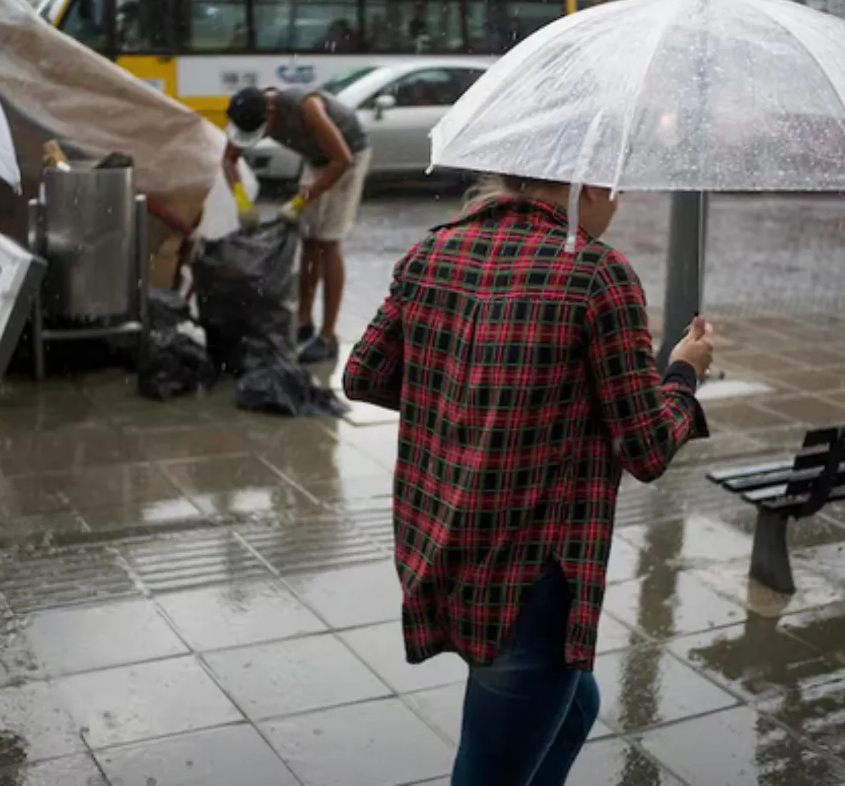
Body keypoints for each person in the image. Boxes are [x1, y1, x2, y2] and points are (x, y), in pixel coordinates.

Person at [342, 177, 712, 785]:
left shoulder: (433, 251)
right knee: (491, 769)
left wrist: (461, 391)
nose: (616, 204)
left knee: (573, 706)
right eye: (615, 188)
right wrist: (682, 374)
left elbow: (364, 375)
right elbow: (645, 446)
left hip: (445, 542)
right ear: (587, 184)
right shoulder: (597, 274)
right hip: (528, 575)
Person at [222, 85, 370, 364]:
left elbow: (342, 160)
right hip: (316, 160)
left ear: (271, 110)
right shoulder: (250, 112)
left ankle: (327, 338)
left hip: (348, 156)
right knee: (308, 241)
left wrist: (300, 202)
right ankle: (304, 322)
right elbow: (229, 159)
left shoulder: (306, 106)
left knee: (328, 242)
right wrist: (242, 202)